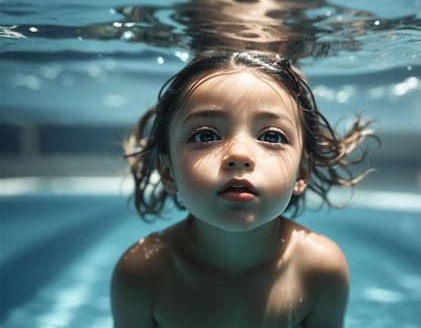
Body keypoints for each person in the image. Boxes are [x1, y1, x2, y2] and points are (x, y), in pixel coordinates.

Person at [111, 51, 375, 328]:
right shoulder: (142, 273)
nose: (238, 153)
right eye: (205, 135)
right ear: (167, 171)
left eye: (271, 136)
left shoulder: (320, 268)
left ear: (302, 172)